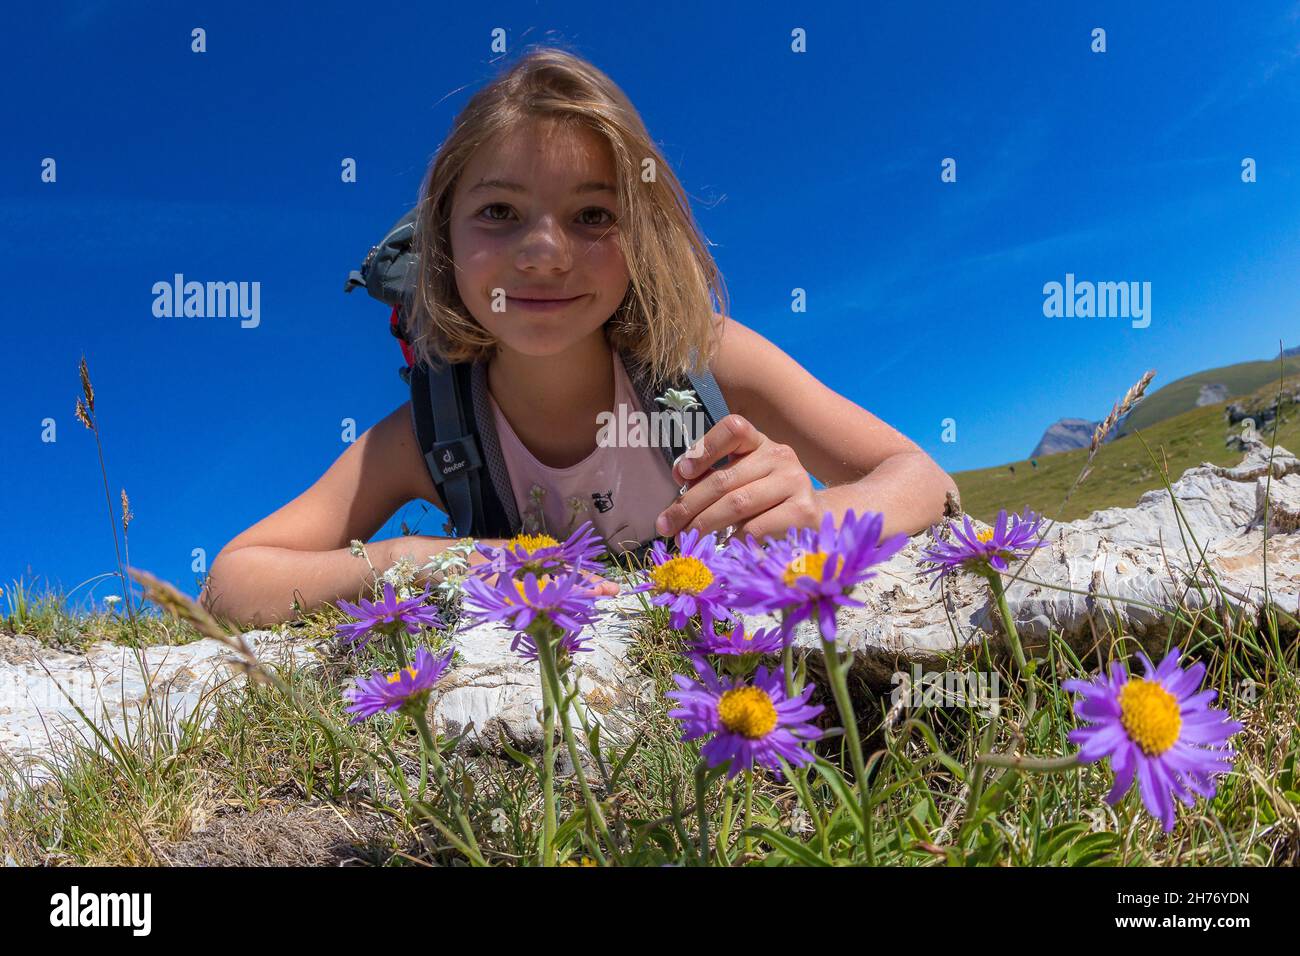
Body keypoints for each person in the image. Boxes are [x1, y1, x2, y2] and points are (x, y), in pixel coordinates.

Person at [200, 47, 958, 629]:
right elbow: (230, 579)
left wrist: (811, 517)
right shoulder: (432, 436)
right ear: (442, 242)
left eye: (594, 216)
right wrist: (419, 562)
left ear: (642, 234)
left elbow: (925, 479)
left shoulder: (696, 356)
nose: (545, 253)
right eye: (499, 211)